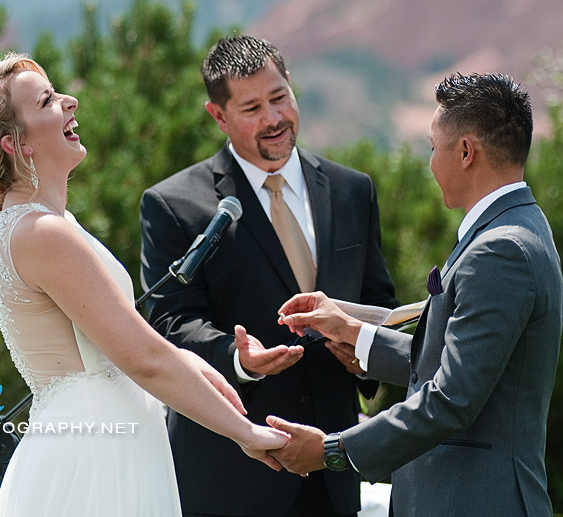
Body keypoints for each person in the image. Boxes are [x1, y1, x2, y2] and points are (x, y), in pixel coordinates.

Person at [0, 52, 288, 516]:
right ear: (17, 145)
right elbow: (142, 358)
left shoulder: (43, 223)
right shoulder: (45, 233)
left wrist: (188, 359)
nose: (70, 101)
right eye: (47, 101)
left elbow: (114, 346)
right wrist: (245, 434)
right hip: (95, 463)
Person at [267, 72, 563, 516]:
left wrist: (332, 450)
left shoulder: (499, 250)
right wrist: (356, 334)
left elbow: (451, 398)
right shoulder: (521, 227)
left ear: (466, 152)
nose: (429, 160)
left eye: (432, 146)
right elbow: (466, 366)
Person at [139, 36, 398, 516]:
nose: (274, 119)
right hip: (232, 477)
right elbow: (170, 323)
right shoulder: (174, 206)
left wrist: (365, 357)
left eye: (279, 98)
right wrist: (238, 361)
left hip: (333, 468)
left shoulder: (352, 190)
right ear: (218, 116)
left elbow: (379, 301)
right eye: (252, 107)